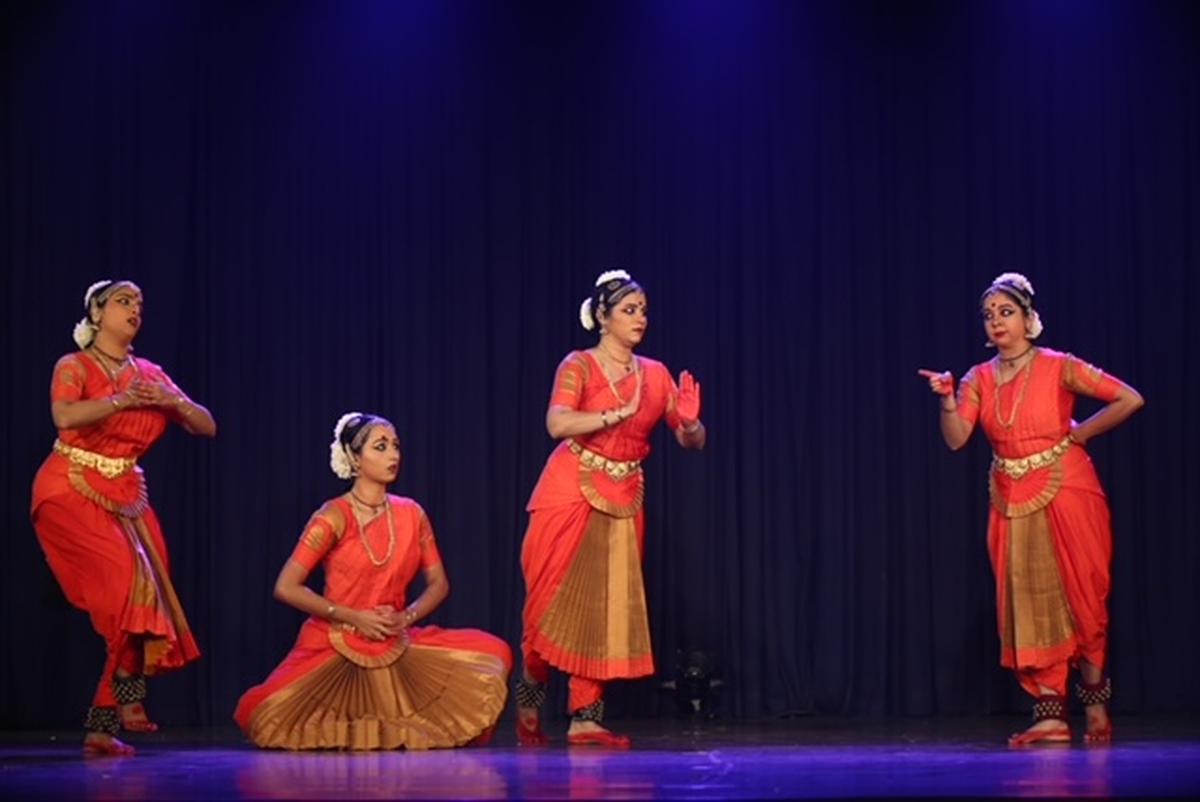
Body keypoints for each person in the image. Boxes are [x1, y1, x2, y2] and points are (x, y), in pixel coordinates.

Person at [918, 272, 1143, 746]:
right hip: (1009, 494)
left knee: (1082, 590)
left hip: (1068, 486)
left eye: (1006, 312)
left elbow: (1129, 398)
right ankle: (1051, 716)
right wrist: (944, 401)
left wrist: (1081, 434)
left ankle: (1096, 703)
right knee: (1027, 600)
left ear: (1027, 317)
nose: (996, 322)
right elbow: (958, 439)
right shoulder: (978, 378)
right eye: (989, 315)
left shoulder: (1060, 366)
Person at [235, 412, 511, 750]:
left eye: (395, 446)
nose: (393, 455)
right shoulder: (333, 516)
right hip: (335, 639)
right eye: (380, 447)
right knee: (264, 714)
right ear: (354, 457)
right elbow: (286, 586)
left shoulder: (412, 513)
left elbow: (439, 583)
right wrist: (353, 617)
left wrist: (405, 617)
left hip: (393, 637)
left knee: (495, 653)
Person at [516, 269, 706, 748]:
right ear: (602, 317)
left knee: (603, 608)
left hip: (624, 497)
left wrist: (690, 424)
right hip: (568, 489)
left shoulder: (657, 374)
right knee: (546, 606)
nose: (639, 318)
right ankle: (530, 694)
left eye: (642, 310)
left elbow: (692, 441)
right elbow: (556, 423)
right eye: (628, 310)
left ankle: (586, 718)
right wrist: (610, 416)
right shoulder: (579, 365)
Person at [31, 279, 217, 756]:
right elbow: (64, 416)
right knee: (122, 590)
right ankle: (124, 700)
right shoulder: (74, 366)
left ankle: (106, 721)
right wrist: (121, 400)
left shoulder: (150, 373)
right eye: (122, 300)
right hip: (70, 486)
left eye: (138, 302)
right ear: (96, 312)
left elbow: (206, 424)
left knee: (145, 592)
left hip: (127, 494)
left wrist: (172, 402)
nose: (135, 308)